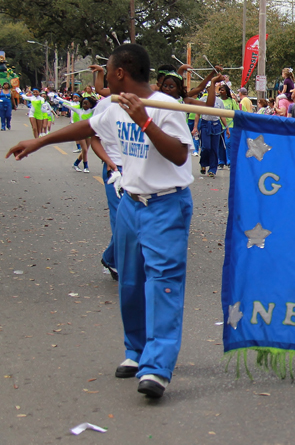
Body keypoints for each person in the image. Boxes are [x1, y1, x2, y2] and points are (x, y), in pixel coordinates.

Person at [7, 43, 195, 398]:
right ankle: (136, 352)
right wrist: (41, 141)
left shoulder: (166, 107)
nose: (104, 79)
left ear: (121, 72)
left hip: (165, 206)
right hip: (131, 204)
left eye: (107, 72)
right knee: (130, 284)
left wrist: (145, 121)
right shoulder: (112, 106)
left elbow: (179, 154)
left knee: (162, 284)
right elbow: (86, 127)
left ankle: (157, 367)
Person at [190, 75, 229, 178]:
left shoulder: (219, 102)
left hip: (216, 126)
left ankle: (212, 169)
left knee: (214, 148)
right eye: (209, 88)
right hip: (205, 124)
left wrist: (227, 127)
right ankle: (203, 164)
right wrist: (195, 127)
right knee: (205, 147)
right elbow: (197, 114)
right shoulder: (202, 100)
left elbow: (222, 115)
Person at [70, 95, 96, 173]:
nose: (84, 105)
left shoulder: (92, 111)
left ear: (91, 104)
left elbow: (101, 104)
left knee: (85, 151)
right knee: (84, 149)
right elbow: (68, 105)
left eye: (86, 103)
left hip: (89, 132)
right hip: (80, 132)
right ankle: (86, 166)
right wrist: (58, 100)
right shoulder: (79, 111)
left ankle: (75, 164)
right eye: (83, 104)